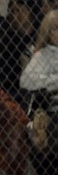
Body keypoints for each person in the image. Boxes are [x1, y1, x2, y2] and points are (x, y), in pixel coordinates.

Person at [20, 9, 58, 154]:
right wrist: (54, 81)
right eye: (55, 29)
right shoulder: (43, 55)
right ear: (48, 33)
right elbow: (26, 81)